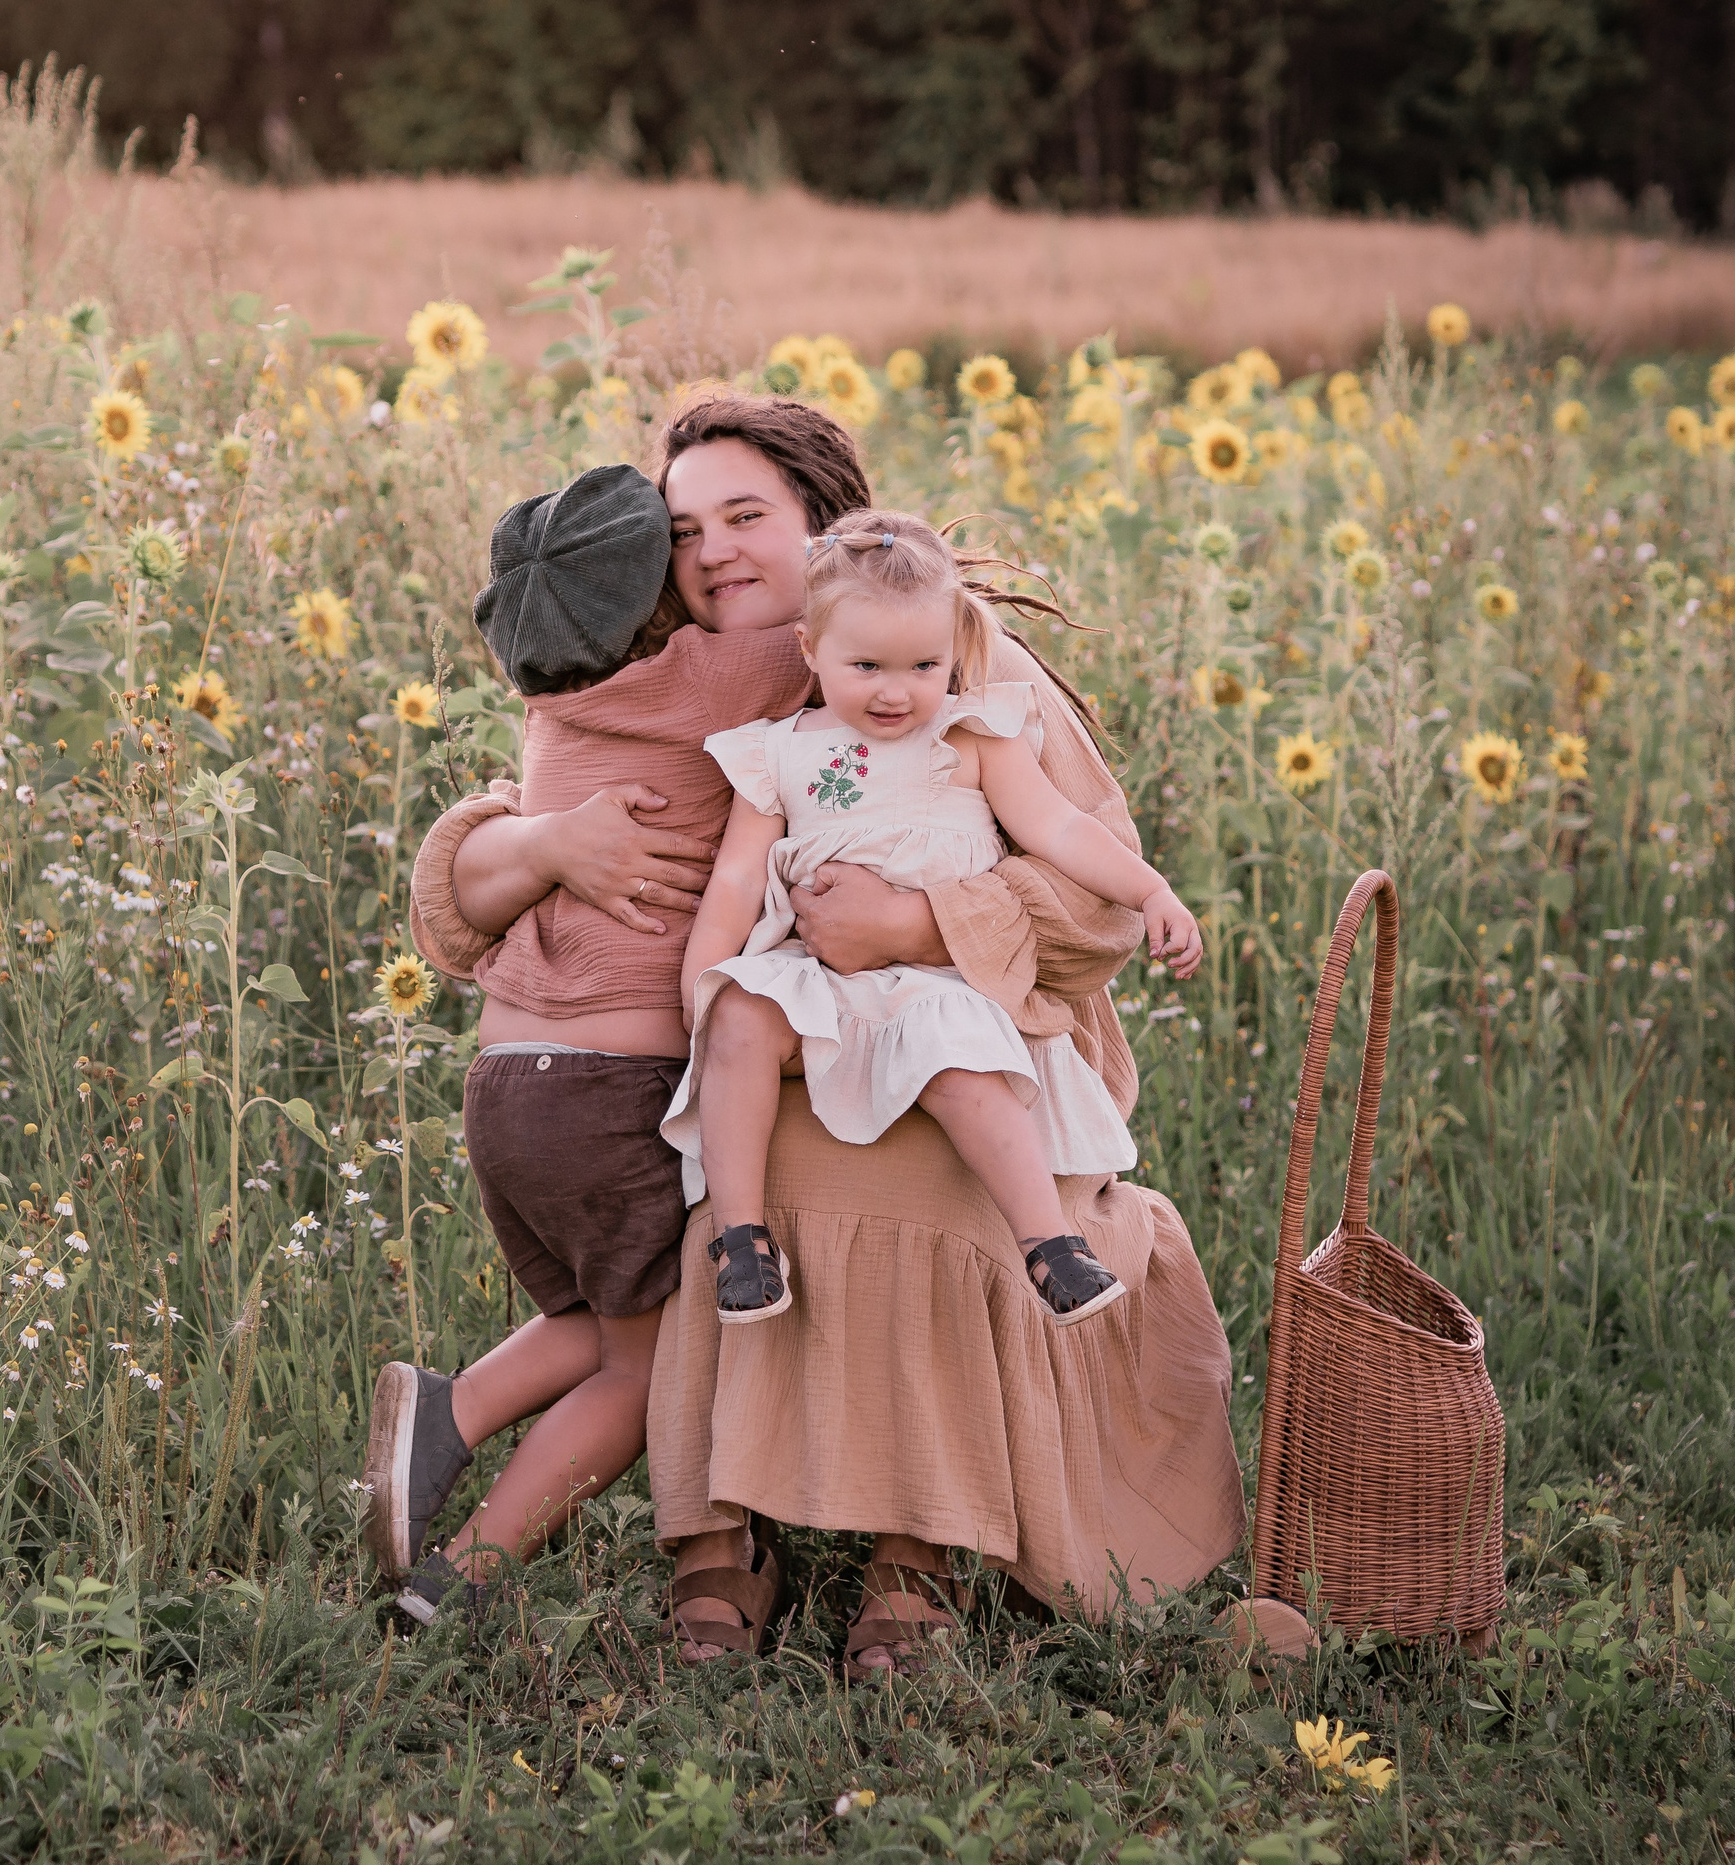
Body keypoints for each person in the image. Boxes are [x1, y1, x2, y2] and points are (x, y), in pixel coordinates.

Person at [407, 393, 1244, 1677]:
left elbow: (1096, 895)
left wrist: (915, 921)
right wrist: (534, 843)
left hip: (956, 1031)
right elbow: (474, 879)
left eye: (749, 516)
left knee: (928, 1181)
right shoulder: (694, 676)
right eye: (687, 529)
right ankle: (721, 1536)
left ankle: (922, 1548)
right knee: (723, 1183)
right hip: (779, 1038)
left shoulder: (947, 658)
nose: (717, 553)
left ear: (825, 521)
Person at [361, 462, 811, 1623]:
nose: (711, 556)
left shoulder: (558, 706)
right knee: (644, 1361)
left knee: (593, 1320)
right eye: (683, 542)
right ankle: (467, 1575)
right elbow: (860, 617)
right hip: (614, 1091)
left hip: (507, 1087)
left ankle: (447, 1411)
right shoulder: (731, 673)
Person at [665, 510, 1204, 1332]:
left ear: (954, 651)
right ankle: (743, 1240)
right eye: (867, 665)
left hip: (939, 981)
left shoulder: (972, 735)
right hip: (819, 977)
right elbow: (737, 880)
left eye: (924, 664)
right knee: (738, 1015)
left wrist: (1151, 890)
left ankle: (1050, 1245)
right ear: (810, 649)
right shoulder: (776, 752)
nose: (896, 689)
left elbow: (1059, 828)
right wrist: (696, 983)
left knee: (967, 1067)